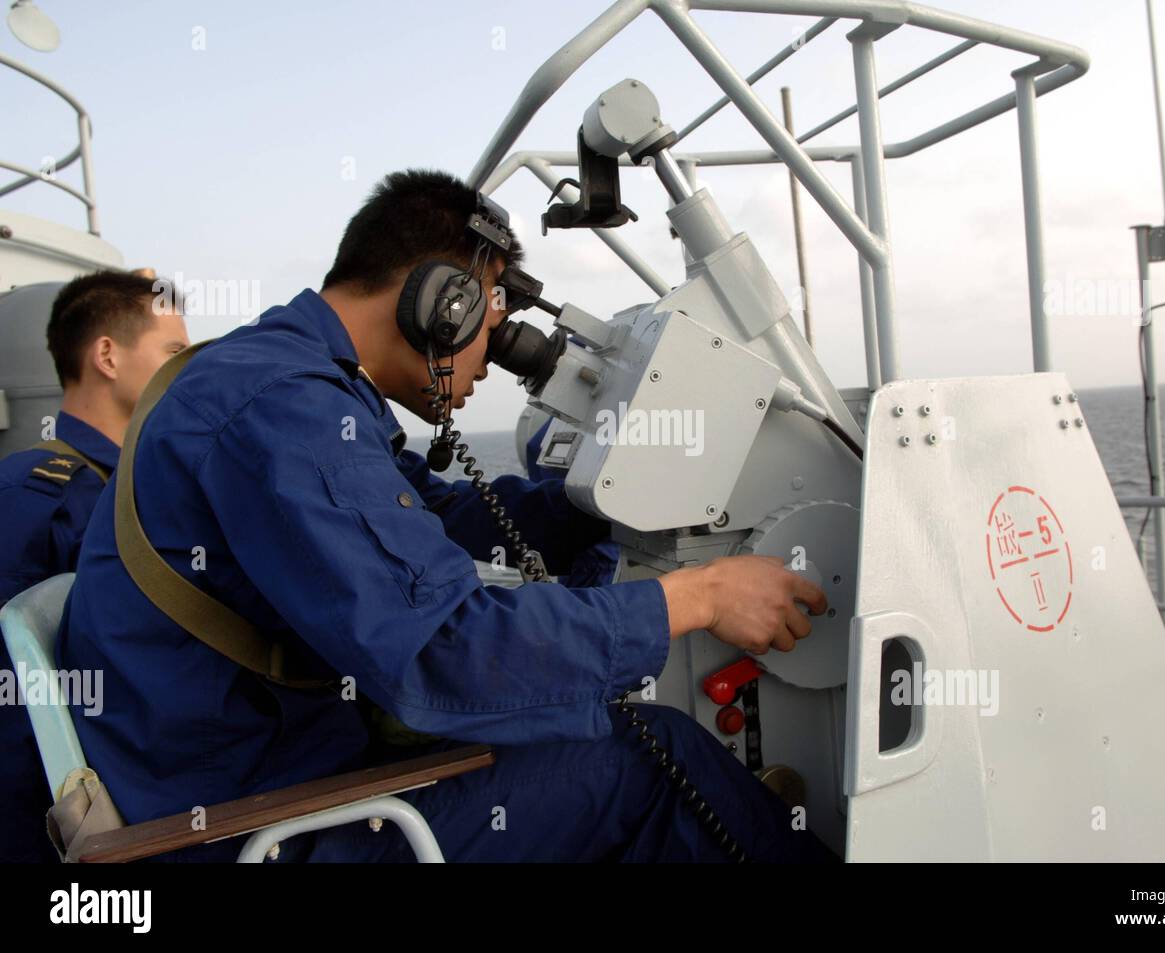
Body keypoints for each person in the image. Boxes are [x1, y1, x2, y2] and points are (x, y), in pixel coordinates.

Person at [60, 170, 835, 862]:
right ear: (445, 304)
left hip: (248, 772)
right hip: (247, 823)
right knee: (651, 759)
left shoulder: (282, 380)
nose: (483, 367)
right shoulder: (283, 406)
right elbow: (444, 653)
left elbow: (443, 515)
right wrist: (700, 596)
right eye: (490, 338)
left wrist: (594, 508)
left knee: (585, 736)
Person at [0, 269, 188, 863]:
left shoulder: (136, 489)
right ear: (107, 355)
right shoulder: (41, 496)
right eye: (174, 352)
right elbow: (17, 711)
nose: (187, 372)